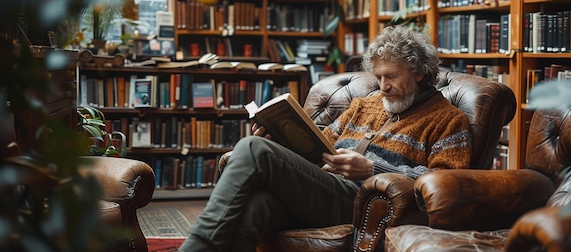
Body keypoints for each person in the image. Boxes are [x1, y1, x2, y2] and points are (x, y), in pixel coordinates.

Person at [178, 25, 472, 252]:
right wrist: (278, 138)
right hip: (323, 190)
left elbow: (445, 186)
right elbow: (320, 142)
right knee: (258, 206)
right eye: (378, 77)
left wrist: (372, 170)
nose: (383, 87)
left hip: (360, 203)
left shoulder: (447, 120)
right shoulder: (365, 105)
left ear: (419, 73)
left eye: (391, 77)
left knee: (253, 150)